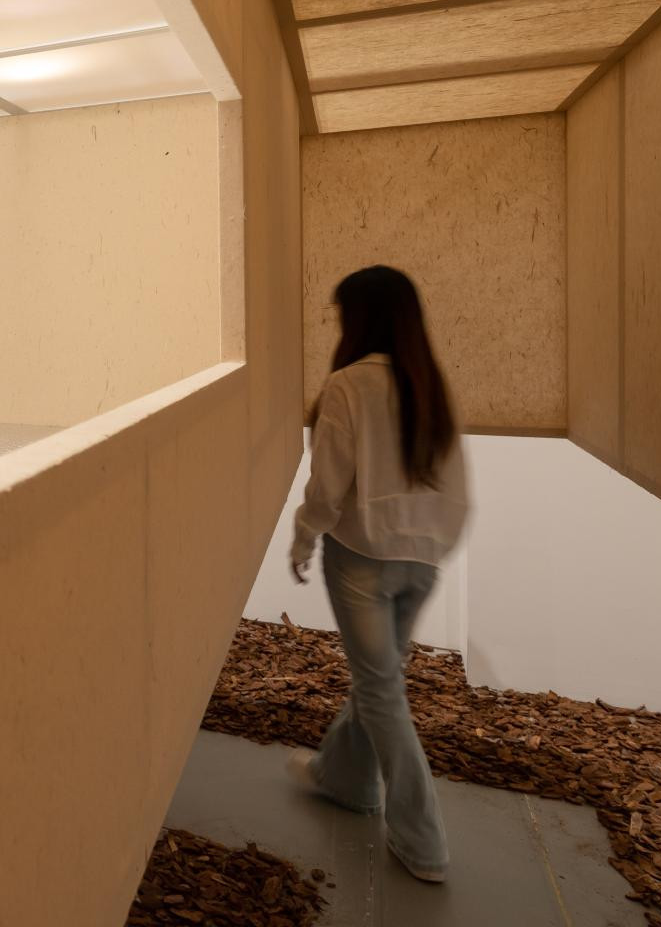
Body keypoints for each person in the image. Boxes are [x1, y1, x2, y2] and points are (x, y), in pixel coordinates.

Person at [285, 265, 469, 884]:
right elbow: (456, 488)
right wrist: (434, 548)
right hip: (423, 562)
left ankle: (423, 840)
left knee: (381, 690)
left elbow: (328, 485)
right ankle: (345, 779)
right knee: (379, 680)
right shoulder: (430, 387)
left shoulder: (348, 386)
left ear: (360, 318)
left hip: (361, 560)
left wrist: (303, 537)